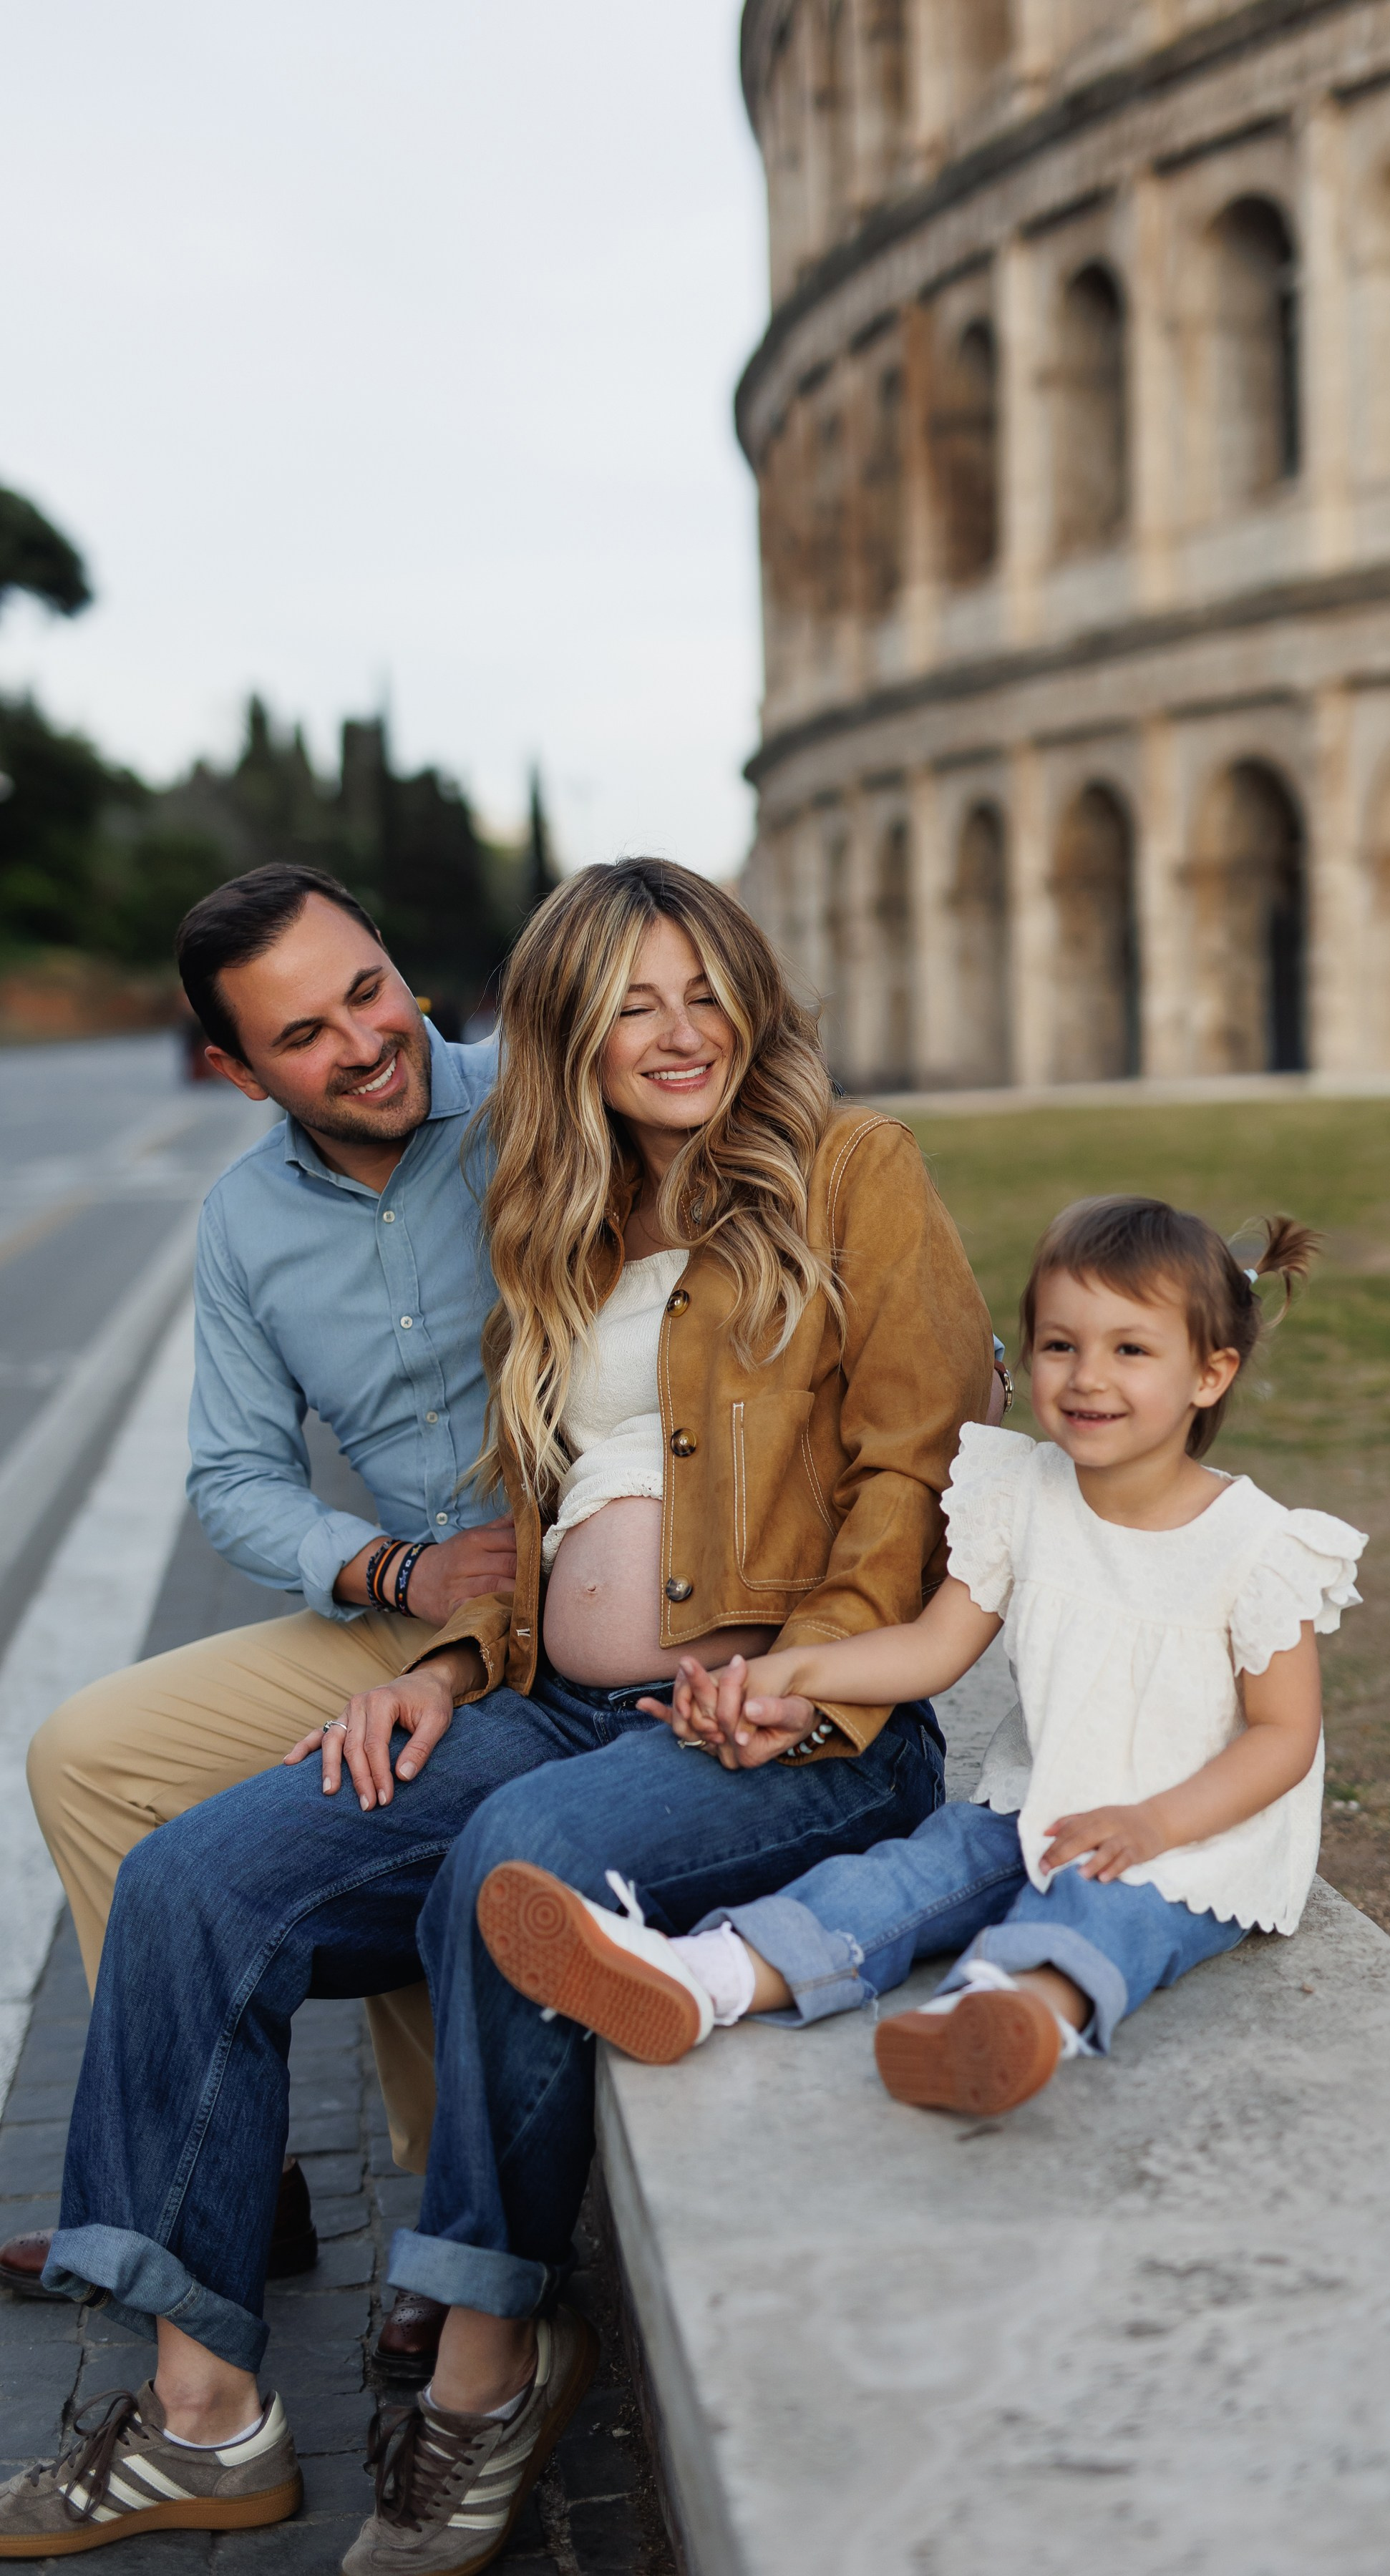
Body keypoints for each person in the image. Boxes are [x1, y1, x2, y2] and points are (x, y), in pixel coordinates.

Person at [0, 857, 993, 2568]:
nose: (677, 1035)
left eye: (702, 991)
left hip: (785, 1734)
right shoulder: (565, 1212)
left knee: (512, 1861)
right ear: (570, 1040)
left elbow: (924, 1463)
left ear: (753, 994)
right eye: (630, 1006)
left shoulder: (855, 1174)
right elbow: (534, 1505)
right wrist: (445, 1666)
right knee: (190, 1884)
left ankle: (482, 2371)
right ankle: (201, 2424)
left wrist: (803, 1667)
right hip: (538, 1696)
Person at [472, 1195, 1368, 2119]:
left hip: (1190, 1838)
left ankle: (1008, 2017)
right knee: (907, 1874)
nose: (1087, 1377)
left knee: (1102, 1913)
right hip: (1036, 1805)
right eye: (1060, 1345)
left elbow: (1282, 1736)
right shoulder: (1027, 1494)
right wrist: (786, 1674)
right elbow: (932, 1648)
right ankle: (705, 1978)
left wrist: (1155, 1823)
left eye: (1130, 1350)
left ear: (1209, 1375)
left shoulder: (1259, 1546)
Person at [8, 866, 511, 2376]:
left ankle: (447, 2236)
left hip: (575, 1606)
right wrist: (390, 1576)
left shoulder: (534, 1108)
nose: (366, 1042)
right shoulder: (241, 1224)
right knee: (87, 1755)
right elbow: (233, 1477)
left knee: (404, 1802)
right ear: (235, 1073)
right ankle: (235, 2172)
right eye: (305, 1035)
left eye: (370, 989)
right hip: (408, 1596)